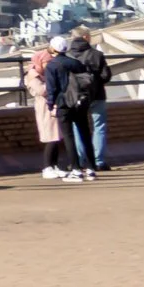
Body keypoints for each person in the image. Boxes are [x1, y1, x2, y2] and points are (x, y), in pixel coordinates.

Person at [45, 28, 104, 182]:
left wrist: (51, 106)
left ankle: (76, 169)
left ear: (54, 48)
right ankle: (91, 169)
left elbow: (52, 89)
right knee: (85, 133)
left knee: (68, 136)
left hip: (63, 103)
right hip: (80, 102)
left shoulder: (52, 66)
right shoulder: (75, 63)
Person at [68, 27, 112, 174]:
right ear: (86, 37)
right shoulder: (97, 54)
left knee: (77, 127)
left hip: (75, 97)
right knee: (99, 126)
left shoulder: (68, 55)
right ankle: (98, 161)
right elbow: (106, 75)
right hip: (96, 95)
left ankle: (81, 160)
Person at [28, 36, 66, 178]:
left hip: (53, 105)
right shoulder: (34, 75)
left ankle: (55, 165)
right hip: (44, 107)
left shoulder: (47, 73)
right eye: (46, 63)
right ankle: (47, 166)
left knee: (56, 137)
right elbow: (42, 90)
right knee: (50, 136)